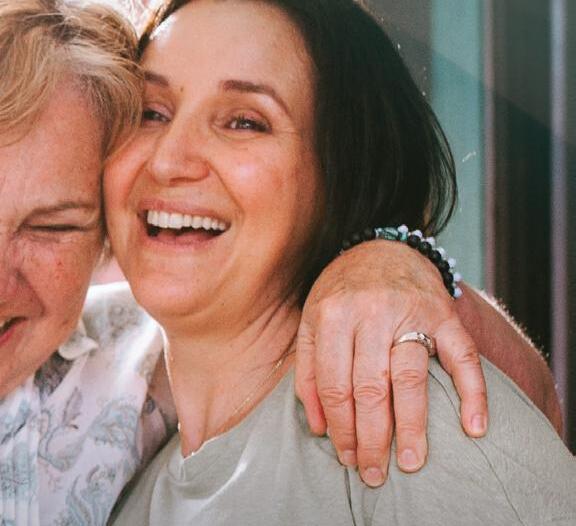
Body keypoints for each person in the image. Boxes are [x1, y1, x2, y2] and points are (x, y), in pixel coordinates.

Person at [0, 1, 563, 525]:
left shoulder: (401, 416)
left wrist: (395, 258)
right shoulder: (135, 473)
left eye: (245, 121)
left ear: (340, 176)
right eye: (151, 113)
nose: (169, 161)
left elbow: (522, 420)